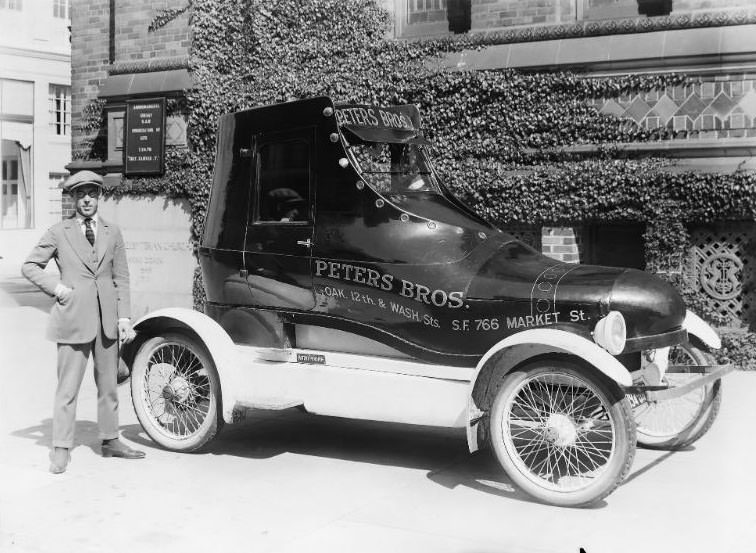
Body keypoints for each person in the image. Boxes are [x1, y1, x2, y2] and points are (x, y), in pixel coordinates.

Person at [21, 170, 145, 474]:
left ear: (99, 196)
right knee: (67, 389)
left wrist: (125, 318)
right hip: (73, 318)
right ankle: (61, 448)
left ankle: (110, 440)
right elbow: (30, 266)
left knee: (109, 387)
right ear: (73, 198)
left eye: (91, 193)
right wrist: (58, 289)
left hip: (107, 321)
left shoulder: (112, 231)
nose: (86, 199)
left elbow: (122, 277)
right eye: (80, 195)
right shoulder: (58, 232)